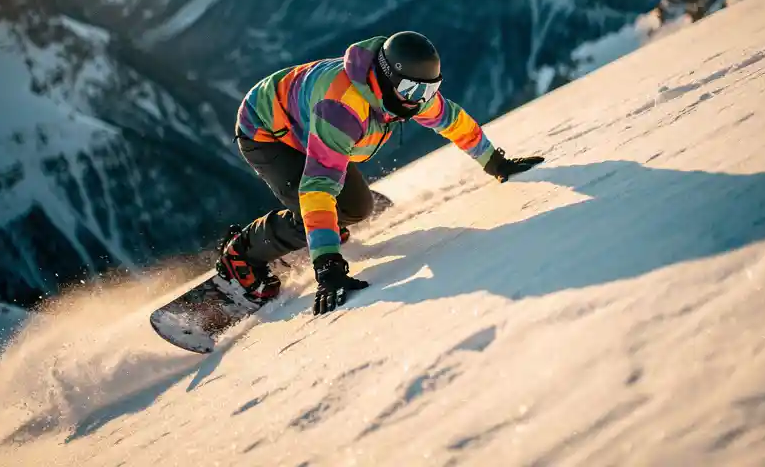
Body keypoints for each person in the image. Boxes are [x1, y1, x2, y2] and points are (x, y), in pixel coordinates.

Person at [218, 32, 543, 315]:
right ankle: (241, 255)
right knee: (326, 210)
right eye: (413, 91)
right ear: (386, 78)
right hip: (266, 130)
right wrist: (327, 264)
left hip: (304, 122)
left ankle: (322, 230)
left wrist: (495, 163)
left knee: (356, 210)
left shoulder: (409, 94)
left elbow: (453, 121)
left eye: (430, 90)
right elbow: (317, 186)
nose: (421, 102)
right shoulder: (343, 108)